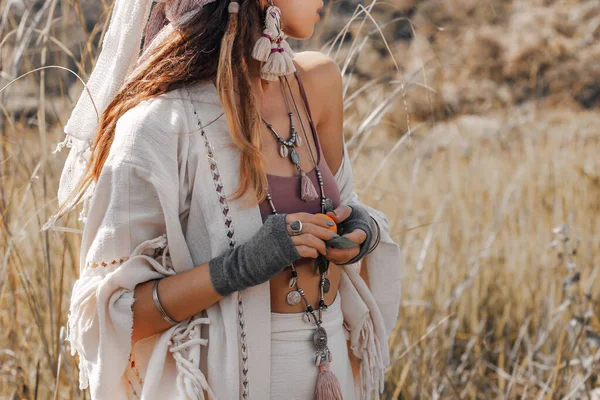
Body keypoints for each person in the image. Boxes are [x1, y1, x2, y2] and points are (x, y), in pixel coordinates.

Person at [42, 0, 402, 398]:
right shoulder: (158, 125)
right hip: (231, 382)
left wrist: (360, 231)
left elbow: (345, 202)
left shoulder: (317, 82)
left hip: (335, 368)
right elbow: (110, 316)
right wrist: (243, 265)